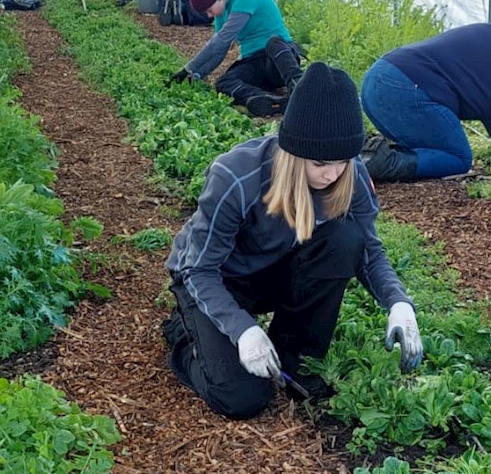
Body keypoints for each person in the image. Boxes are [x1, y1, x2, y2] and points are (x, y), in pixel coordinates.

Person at [163, 61, 422, 420]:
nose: (332, 174)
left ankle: (294, 357)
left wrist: (398, 303)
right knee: (242, 398)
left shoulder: (350, 176)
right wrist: (243, 332)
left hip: (275, 268)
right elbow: (199, 270)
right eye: (319, 163)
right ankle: (185, 334)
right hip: (216, 280)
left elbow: (367, 249)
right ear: (294, 150)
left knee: (345, 238)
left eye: (342, 162)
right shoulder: (236, 177)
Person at [358, 20, 491, 182]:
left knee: (431, 150)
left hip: (377, 81)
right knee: (459, 158)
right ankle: (386, 163)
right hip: (406, 90)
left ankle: (370, 154)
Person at [168, 0, 304, 119]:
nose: (209, 16)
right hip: (255, 62)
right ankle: (269, 100)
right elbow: (219, 50)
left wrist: (188, 68)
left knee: (274, 42)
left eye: (209, 10)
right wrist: (196, 74)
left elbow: (220, 40)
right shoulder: (221, 11)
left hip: (279, 60)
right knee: (223, 82)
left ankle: (299, 87)